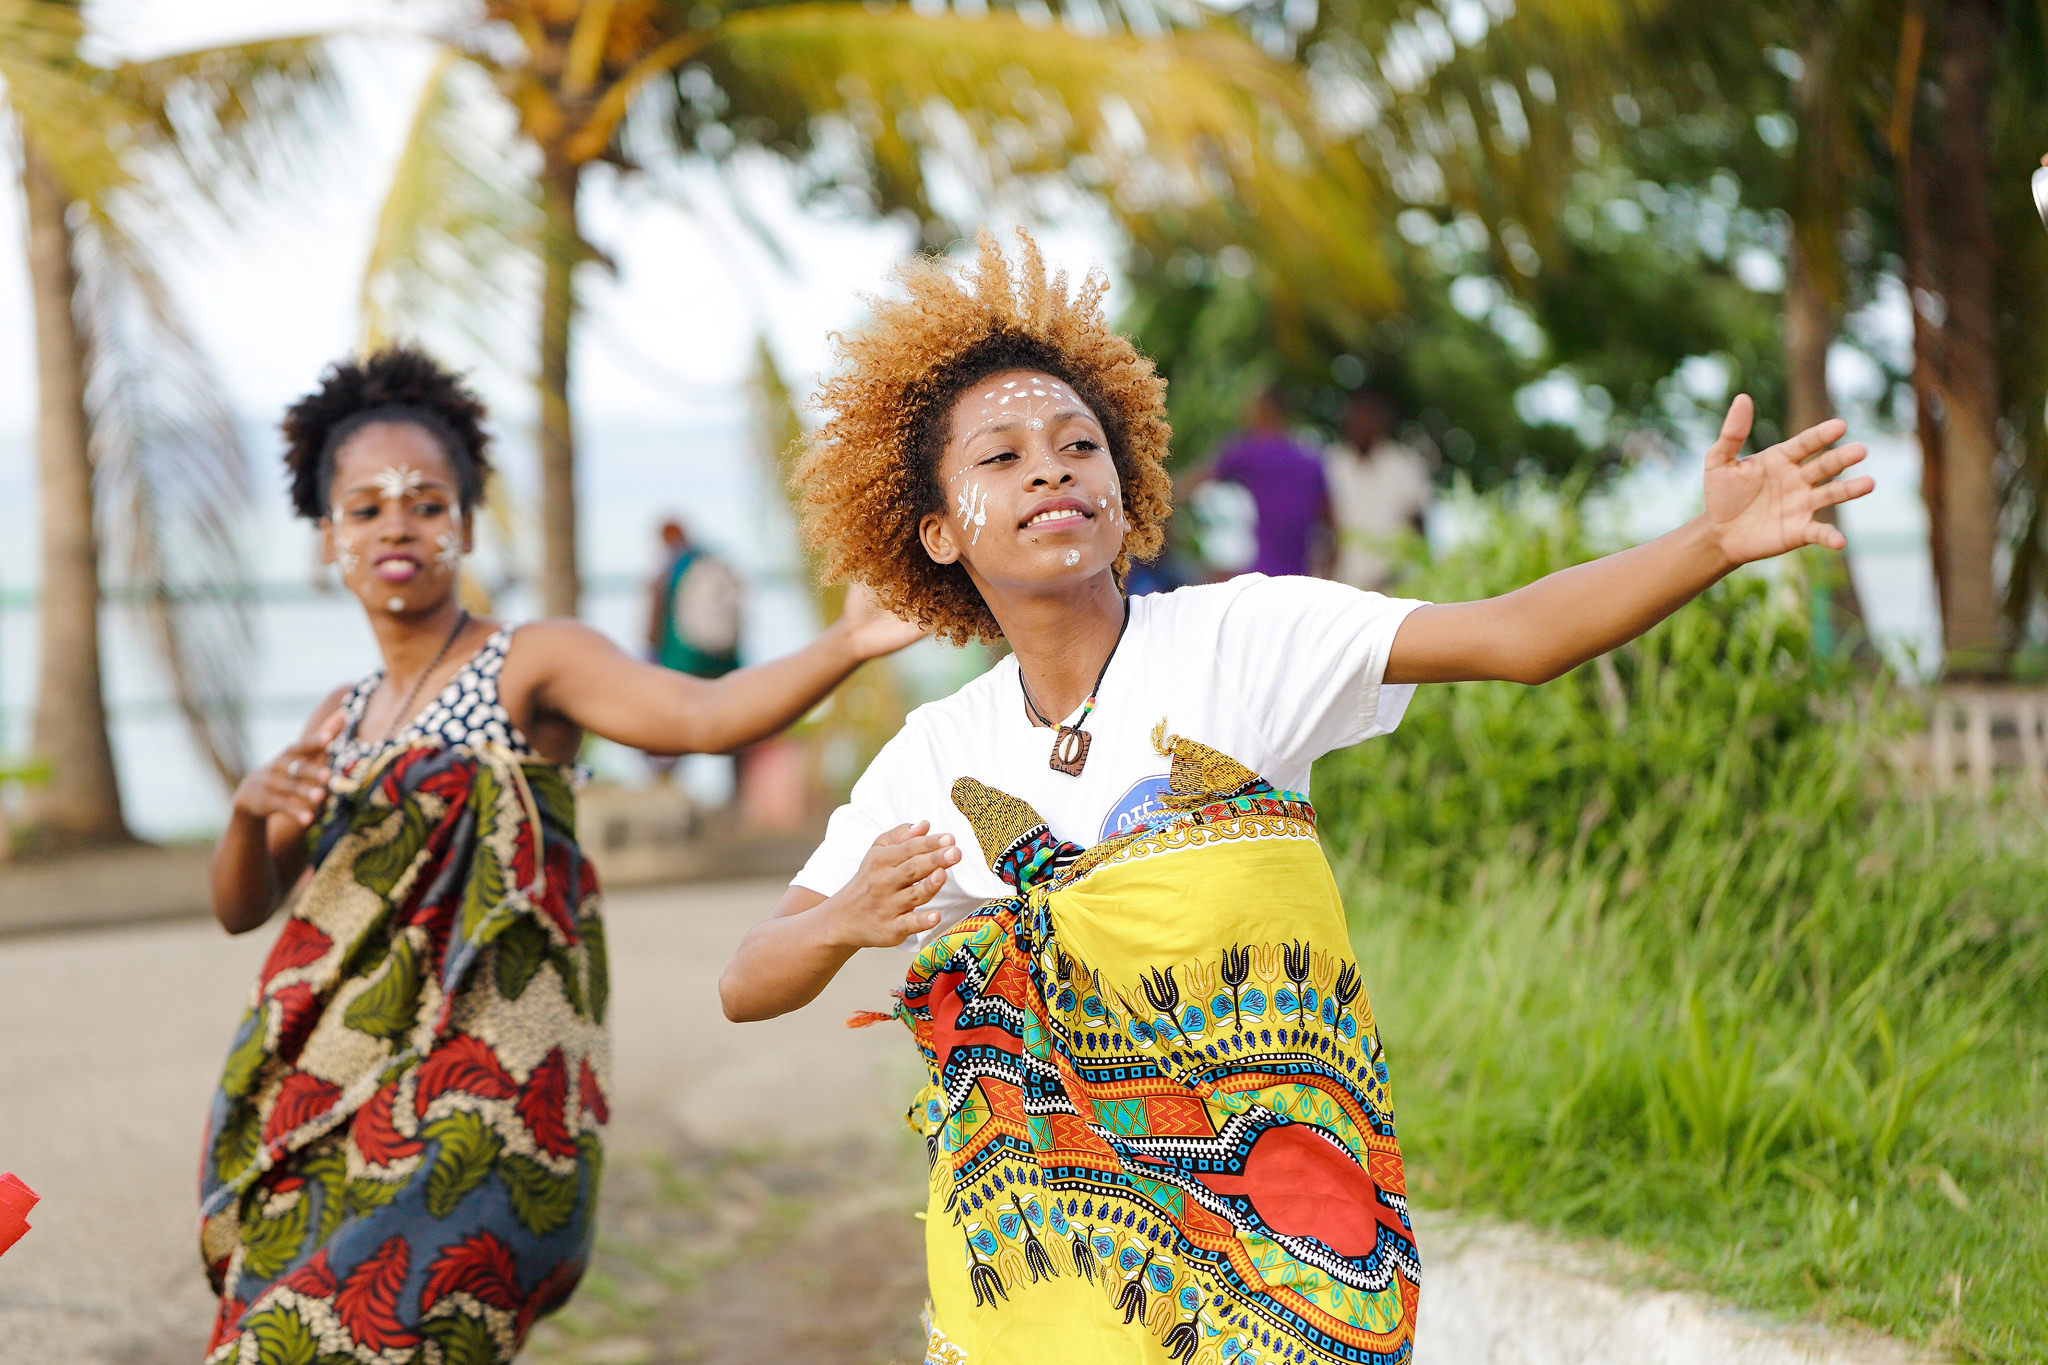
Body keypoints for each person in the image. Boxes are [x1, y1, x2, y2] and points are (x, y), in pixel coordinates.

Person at [715, 231, 1872, 1365]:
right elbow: (746, 981)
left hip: (1281, 1268)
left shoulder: (1244, 639)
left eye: (1078, 445)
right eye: (1001, 458)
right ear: (935, 532)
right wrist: (841, 920)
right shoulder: (935, 754)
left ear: (1125, 488)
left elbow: (1514, 637)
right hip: (1049, 1299)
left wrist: (1707, 542)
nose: (1050, 471)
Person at [201, 346, 921, 1365]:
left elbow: (701, 714)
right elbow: (248, 906)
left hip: (479, 1102)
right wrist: (246, 814)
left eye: (426, 502)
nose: (396, 525)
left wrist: (842, 645)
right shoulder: (339, 718)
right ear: (327, 537)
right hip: (339, 1096)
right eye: (364, 508)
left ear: (464, 523)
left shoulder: (529, 662)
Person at [1205, 386, 1332, 578]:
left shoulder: (1250, 451)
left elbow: (1200, 478)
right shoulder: (1311, 459)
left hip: (1260, 571)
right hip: (1300, 574)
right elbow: (1330, 521)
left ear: (1265, 411)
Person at [1323, 388, 1433, 591]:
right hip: (1344, 585)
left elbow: (1417, 527)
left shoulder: (1403, 466)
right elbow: (1325, 530)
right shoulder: (1331, 465)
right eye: (1358, 416)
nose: (1363, 423)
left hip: (1396, 587)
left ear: (1382, 421)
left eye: (1370, 416)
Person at [646, 518, 744, 680]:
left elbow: (656, 613)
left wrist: (651, 648)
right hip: (724, 660)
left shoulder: (672, 568)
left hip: (682, 661)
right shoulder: (712, 560)